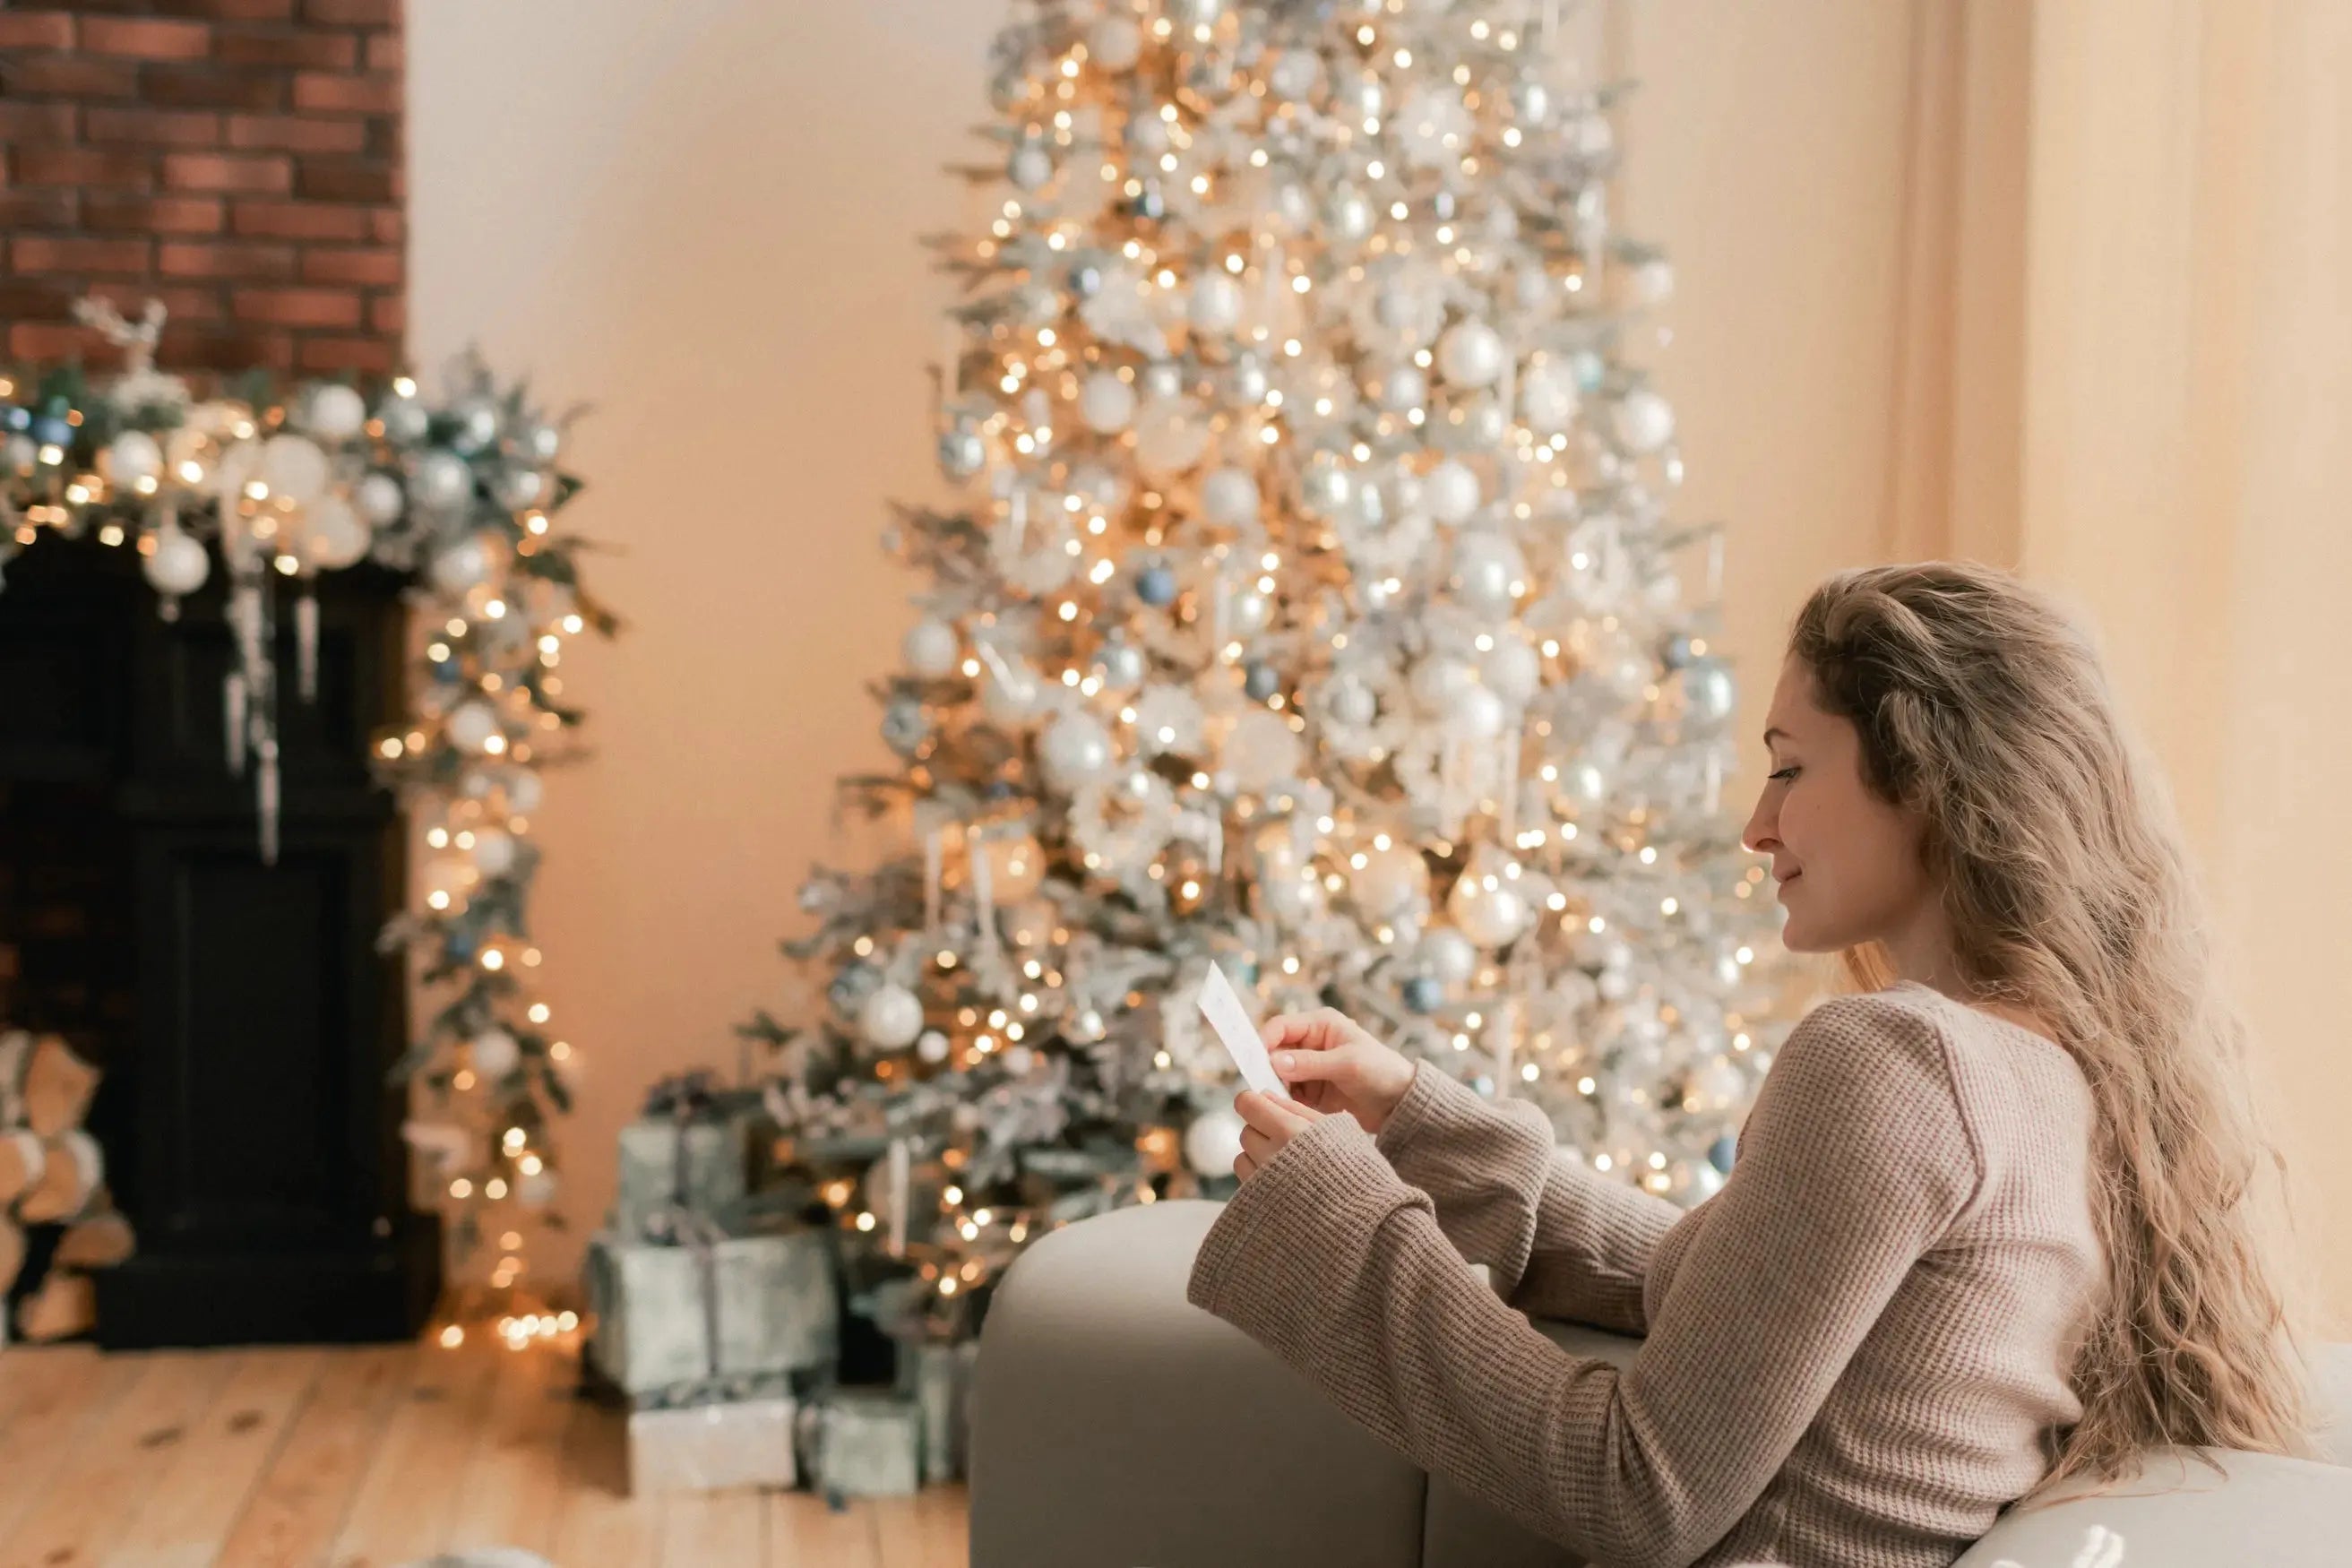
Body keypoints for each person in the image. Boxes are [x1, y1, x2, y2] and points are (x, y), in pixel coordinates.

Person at [1186, 561, 2314, 1568]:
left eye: (1788, 769)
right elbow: (1754, 1305)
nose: (1756, 827)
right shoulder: (2055, 1070)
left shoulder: (1899, 1060)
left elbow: (1638, 1490)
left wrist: (1342, 1218)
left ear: (1919, 773)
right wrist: (1424, 1130)